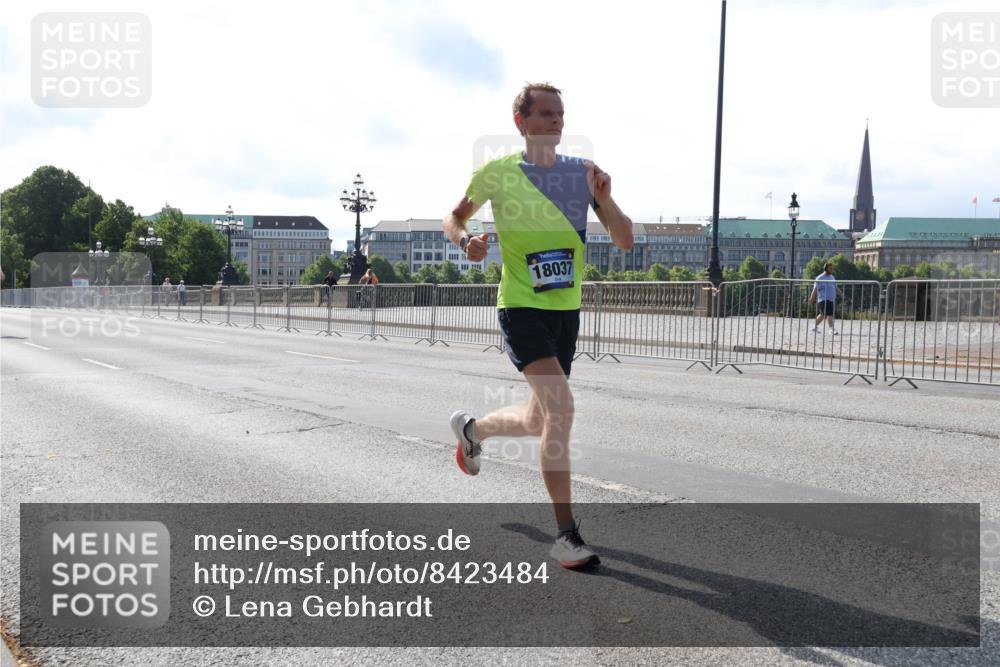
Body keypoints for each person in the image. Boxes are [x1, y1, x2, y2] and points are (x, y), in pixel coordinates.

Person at [443, 82, 633, 570]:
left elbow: (625, 240)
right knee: (562, 409)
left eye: (561, 114)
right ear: (521, 122)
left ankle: (473, 430)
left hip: (565, 311)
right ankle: (566, 535)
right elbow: (454, 216)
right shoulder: (497, 172)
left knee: (538, 418)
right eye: (545, 113)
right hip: (521, 306)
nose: (556, 121)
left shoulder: (581, 174)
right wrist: (466, 241)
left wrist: (605, 199)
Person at [809, 262, 844, 334]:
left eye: (832, 268)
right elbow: (815, 289)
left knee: (823, 314)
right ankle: (832, 329)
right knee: (829, 314)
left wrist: (841, 294)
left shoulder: (832, 277)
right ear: (826, 269)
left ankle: (814, 327)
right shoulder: (819, 278)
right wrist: (812, 298)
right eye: (830, 268)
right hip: (823, 299)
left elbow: (836, 287)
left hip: (831, 299)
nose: (832, 270)